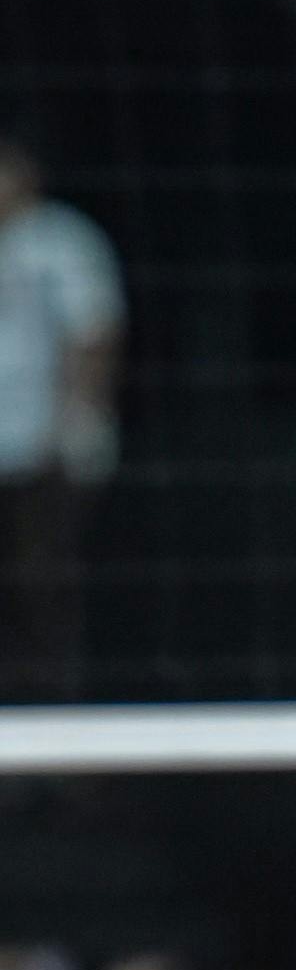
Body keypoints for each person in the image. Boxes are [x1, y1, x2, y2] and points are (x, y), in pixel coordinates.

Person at [0, 127, 124, 698]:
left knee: (42, 579)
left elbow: (95, 333)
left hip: (42, 447)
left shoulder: (61, 241)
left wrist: (77, 420)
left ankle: (54, 705)